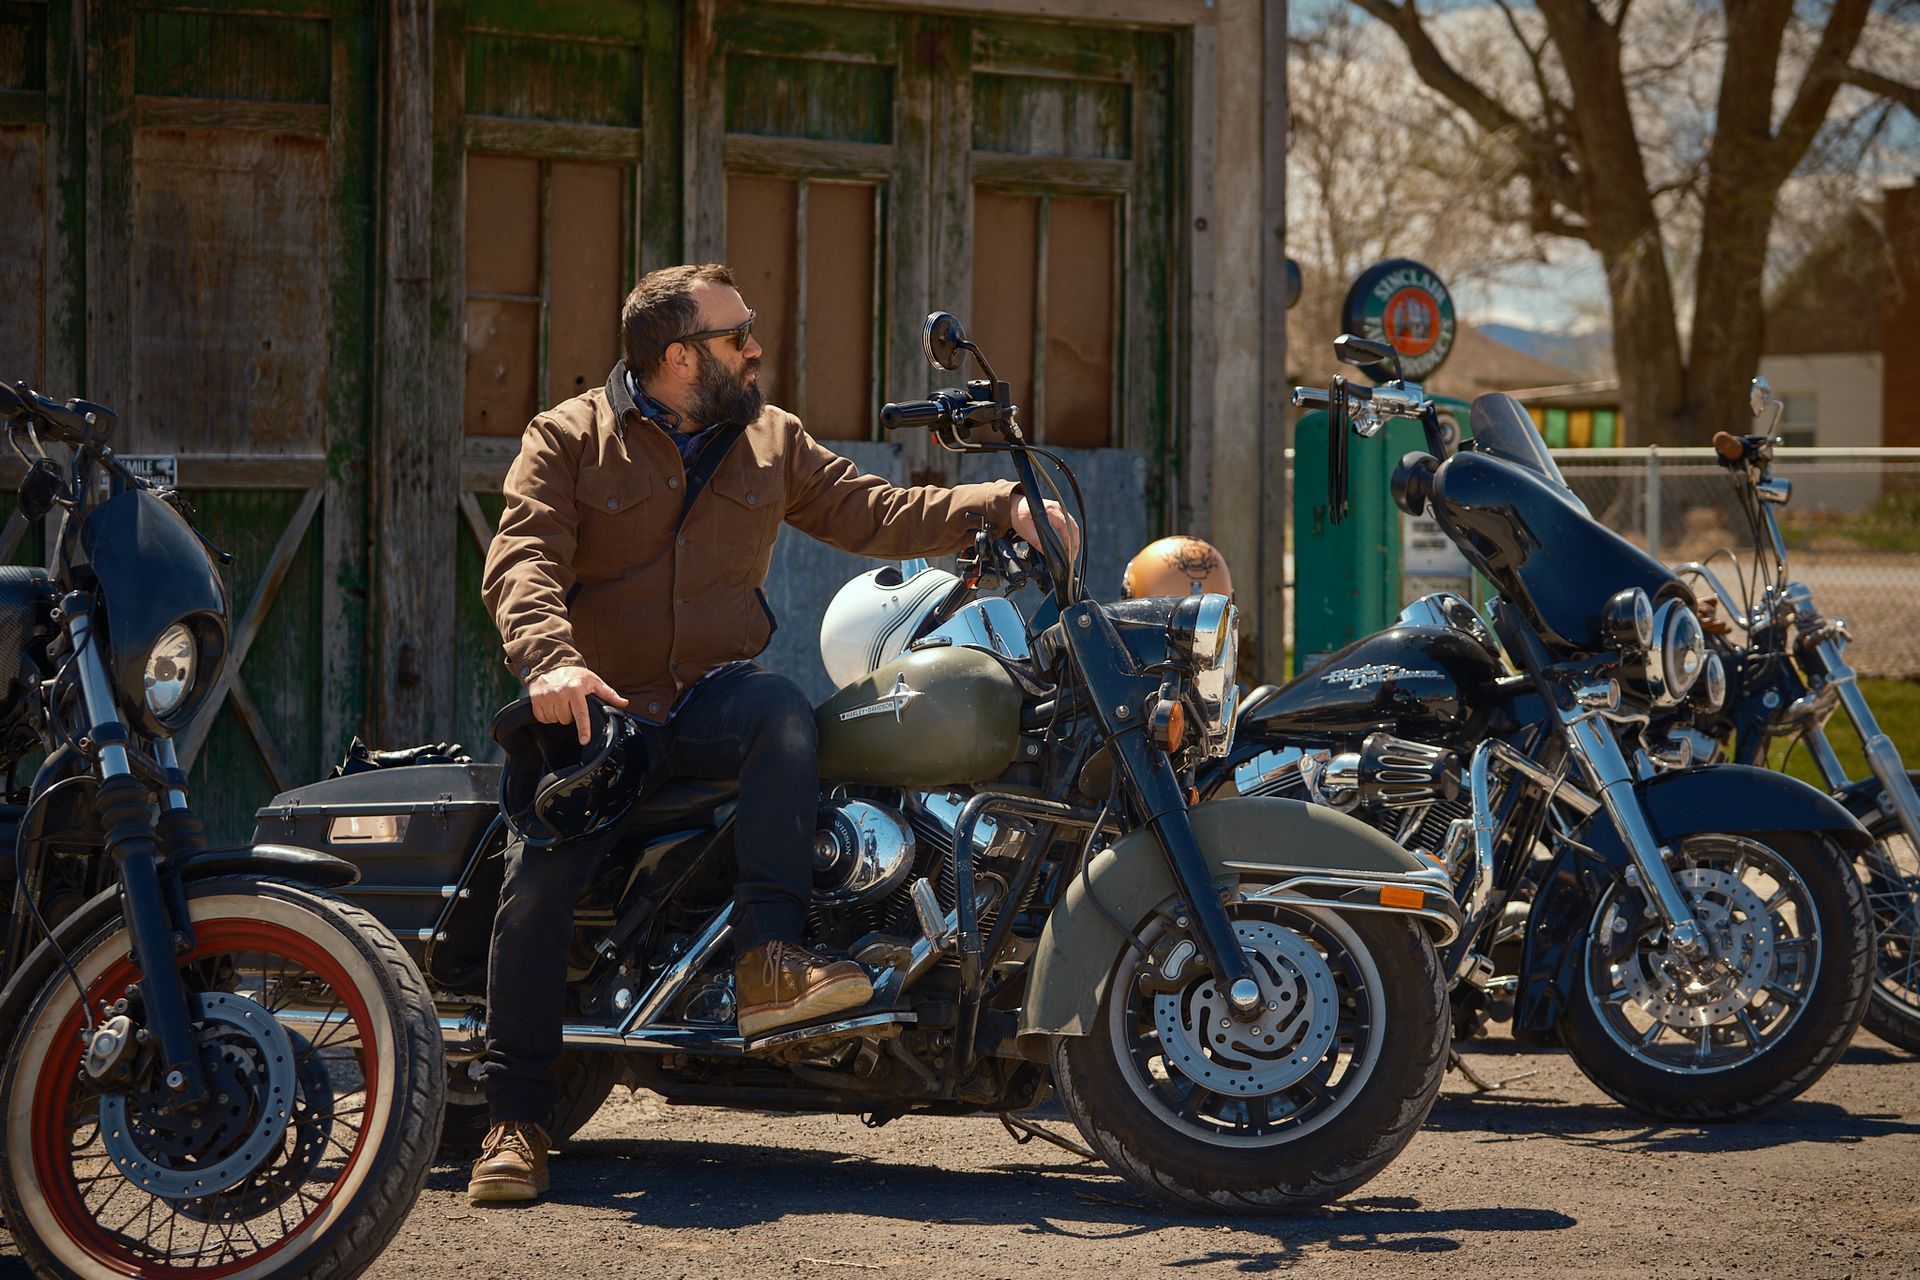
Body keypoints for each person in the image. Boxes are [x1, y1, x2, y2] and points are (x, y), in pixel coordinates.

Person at [469, 263, 1076, 1203]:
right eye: (736, 333)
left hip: (710, 698)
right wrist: (550, 659)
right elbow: (523, 558)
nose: (755, 347)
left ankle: (770, 962)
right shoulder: (568, 437)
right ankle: (515, 1119)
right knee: (538, 885)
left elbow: (874, 512)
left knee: (784, 714)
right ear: (679, 357)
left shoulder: (768, 438)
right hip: (601, 705)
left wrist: (996, 505)